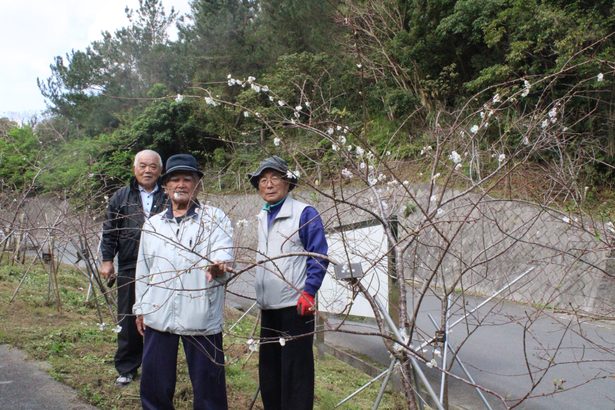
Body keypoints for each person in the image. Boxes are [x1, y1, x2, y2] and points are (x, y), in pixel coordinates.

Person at [133, 153, 233, 410]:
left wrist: (218, 265)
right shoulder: (153, 225)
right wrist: (141, 308)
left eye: (187, 179)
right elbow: (144, 269)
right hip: (158, 313)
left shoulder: (213, 218)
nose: (181, 185)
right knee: (154, 384)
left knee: (209, 387)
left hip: (201, 314)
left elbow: (224, 251)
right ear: (165, 187)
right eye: (174, 179)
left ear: (197, 184)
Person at [248, 156, 329, 410]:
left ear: (288, 182)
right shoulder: (263, 215)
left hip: (295, 306)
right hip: (269, 306)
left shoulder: (304, 213)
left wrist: (309, 291)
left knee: (296, 374)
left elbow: (318, 255)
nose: (269, 184)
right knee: (270, 372)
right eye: (263, 180)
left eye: (275, 178)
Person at [99, 149, 167, 386]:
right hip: (129, 263)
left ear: (160, 170)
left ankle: (155, 366)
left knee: (159, 315)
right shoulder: (121, 196)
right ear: (134, 168)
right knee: (128, 317)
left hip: (164, 266)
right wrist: (108, 260)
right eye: (143, 165)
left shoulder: (168, 194)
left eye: (153, 166)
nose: (148, 170)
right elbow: (110, 230)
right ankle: (127, 367)